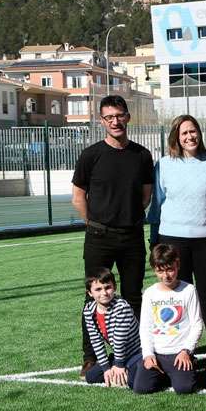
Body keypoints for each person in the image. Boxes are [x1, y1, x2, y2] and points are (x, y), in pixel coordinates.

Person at [72, 95, 153, 376]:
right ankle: (90, 357)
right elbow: (78, 195)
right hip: (99, 237)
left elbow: (145, 196)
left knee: (133, 297)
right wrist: (93, 222)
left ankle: (137, 352)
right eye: (109, 117)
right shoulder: (91, 155)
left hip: (131, 237)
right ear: (101, 121)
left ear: (128, 117)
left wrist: (125, 217)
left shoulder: (142, 155)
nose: (115, 121)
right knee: (93, 298)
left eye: (119, 115)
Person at [148, 114, 206, 352]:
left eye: (193, 131)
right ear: (176, 136)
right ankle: (183, 348)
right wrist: (154, 237)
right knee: (179, 296)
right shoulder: (164, 164)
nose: (190, 136)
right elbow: (157, 204)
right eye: (184, 133)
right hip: (173, 239)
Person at [134, 244, 204, 395]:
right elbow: (145, 327)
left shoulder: (188, 290)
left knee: (185, 388)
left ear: (177, 265)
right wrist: (148, 354)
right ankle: (163, 373)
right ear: (154, 270)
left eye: (170, 269)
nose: (166, 275)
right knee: (141, 388)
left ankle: (189, 364)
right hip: (157, 353)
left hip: (179, 353)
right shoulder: (149, 293)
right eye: (160, 271)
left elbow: (197, 324)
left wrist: (186, 350)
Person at [81, 267, 142, 388]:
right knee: (91, 377)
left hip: (138, 351)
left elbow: (119, 340)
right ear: (90, 293)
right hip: (121, 355)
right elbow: (96, 341)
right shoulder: (88, 310)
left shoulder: (121, 307)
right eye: (98, 289)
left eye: (107, 287)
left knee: (132, 379)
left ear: (114, 287)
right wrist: (106, 368)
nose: (104, 293)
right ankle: (118, 366)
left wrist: (119, 365)